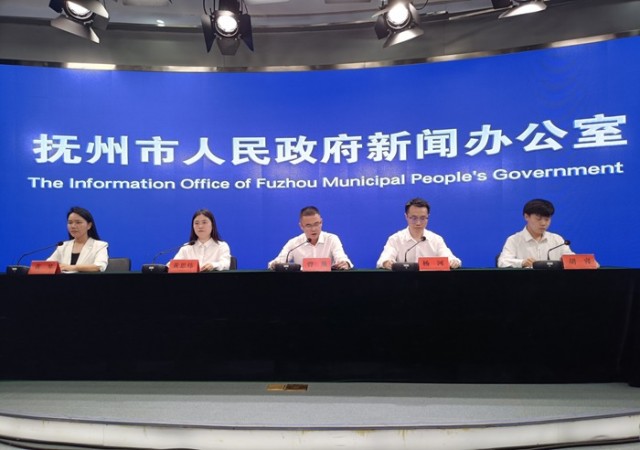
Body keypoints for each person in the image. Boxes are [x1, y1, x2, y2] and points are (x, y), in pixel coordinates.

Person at [376, 197, 462, 269]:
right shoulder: (395, 239)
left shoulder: (436, 239)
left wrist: (453, 261)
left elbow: (449, 257)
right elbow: (383, 260)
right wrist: (387, 263)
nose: (418, 223)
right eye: (414, 218)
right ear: (406, 217)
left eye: (423, 218)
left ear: (428, 217)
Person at [497, 198, 581, 268]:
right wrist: (522, 262)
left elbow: (572, 260)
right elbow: (502, 262)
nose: (543, 223)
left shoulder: (557, 239)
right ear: (526, 216)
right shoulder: (514, 240)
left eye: (547, 219)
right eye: (538, 219)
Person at [268, 206, 353, 270]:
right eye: (308, 225)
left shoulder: (332, 239)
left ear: (321, 222)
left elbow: (341, 257)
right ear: (301, 226)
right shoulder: (294, 243)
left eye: (316, 224)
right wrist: (274, 264)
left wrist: (345, 263)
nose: (313, 229)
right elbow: (278, 261)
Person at [47, 206, 109, 272]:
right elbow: (48, 265)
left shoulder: (100, 246)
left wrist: (73, 267)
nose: (73, 226)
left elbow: (99, 266)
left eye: (78, 222)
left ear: (89, 225)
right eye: (70, 222)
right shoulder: (63, 246)